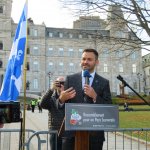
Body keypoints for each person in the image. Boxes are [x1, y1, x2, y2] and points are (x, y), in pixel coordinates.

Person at [56, 48, 112, 150]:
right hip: (71, 135)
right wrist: (61, 99)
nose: (85, 62)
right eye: (83, 59)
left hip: (94, 136)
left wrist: (95, 96)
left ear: (97, 62)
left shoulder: (104, 82)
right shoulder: (70, 79)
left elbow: (109, 109)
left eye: (89, 59)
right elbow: (60, 107)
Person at [41, 77, 65, 150]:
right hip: (54, 131)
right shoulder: (52, 98)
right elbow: (42, 104)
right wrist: (51, 89)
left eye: (63, 83)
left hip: (67, 132)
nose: (61, 85)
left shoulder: (70, 97)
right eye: (59, 83)